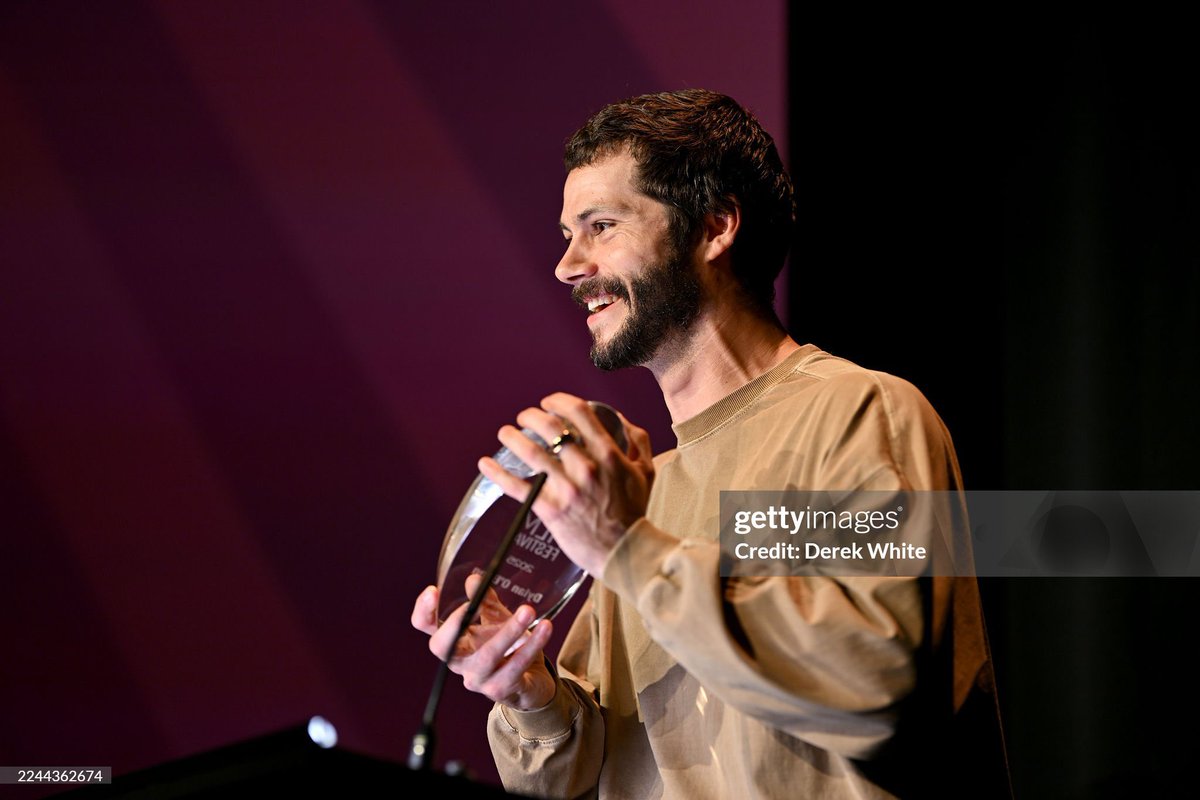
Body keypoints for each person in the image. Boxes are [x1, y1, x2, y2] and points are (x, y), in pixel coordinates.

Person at [412, 89, 1009, 799]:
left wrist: (628, 550)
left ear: (715, 226)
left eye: (601, 225)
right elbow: (575, 778)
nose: (568, 266)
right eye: (567, 234)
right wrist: (533, 697)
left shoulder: (859, 413)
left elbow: (876, 683)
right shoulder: (641, 492)